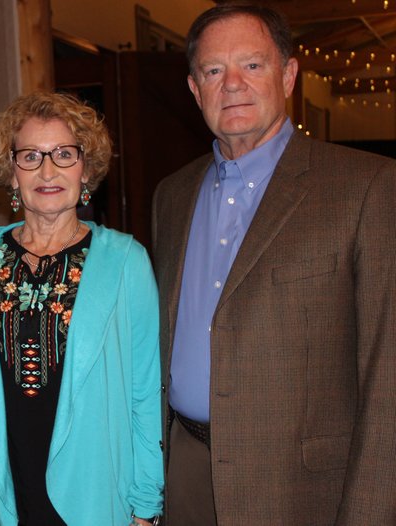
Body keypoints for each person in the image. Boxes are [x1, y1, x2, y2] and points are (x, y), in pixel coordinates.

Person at [152, 3, 396, 524]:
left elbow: (388, 373)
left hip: (300, 488)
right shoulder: (170, 196)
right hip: (186, 474)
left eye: (253, 65)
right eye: (213, 71)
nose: (232, 84)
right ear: (195, 90)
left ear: (288, 74)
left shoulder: (366, 188)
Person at [0, 92, 164, 526]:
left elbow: (145, 392)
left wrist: (146, 503)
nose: (47, 171)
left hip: (95, 490)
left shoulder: (126, 261)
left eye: (64, 154)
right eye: (30, 156)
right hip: (2, 491)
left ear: (85, 168)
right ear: (11, 173)